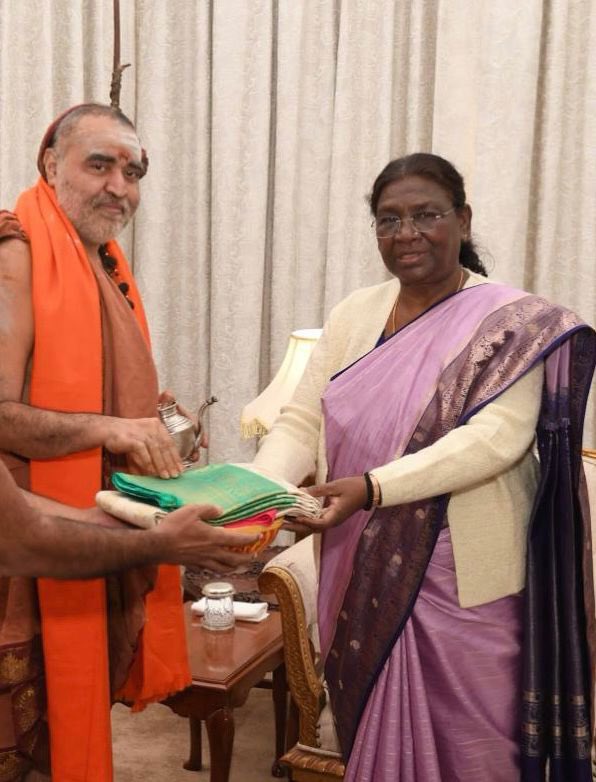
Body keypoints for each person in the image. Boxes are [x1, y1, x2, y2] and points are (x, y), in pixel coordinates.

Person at [254, 153, 596, 781]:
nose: (406, 233)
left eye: (426, 215)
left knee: (476, 746)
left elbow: (495, 440)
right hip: (357, 557)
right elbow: (303, 421)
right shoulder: (355, 313)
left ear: (462, 221)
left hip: (467, 574)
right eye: (389, 220)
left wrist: (373, 488)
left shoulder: (512, 325)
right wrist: (257, 493)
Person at [0, 103, 222, 782]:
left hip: (84, 524)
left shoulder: (103, 264)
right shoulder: (18, 255)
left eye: (133, 171)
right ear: (50, 165)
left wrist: (147, 417)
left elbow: (80, 386)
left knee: (67, 721)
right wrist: (111, 428)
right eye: (100, 164)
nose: (120, 187)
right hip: (24, 539)